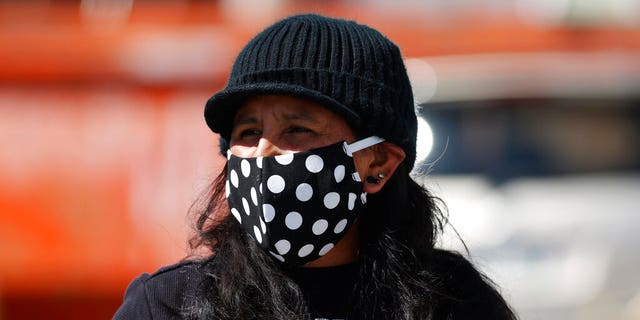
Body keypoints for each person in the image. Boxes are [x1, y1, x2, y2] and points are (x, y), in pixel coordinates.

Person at [114, 14, 517, 320]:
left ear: (378, 163)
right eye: (249, 131)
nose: (264, 152)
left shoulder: (451, 304)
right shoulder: (172, 306)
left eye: (297, 129)